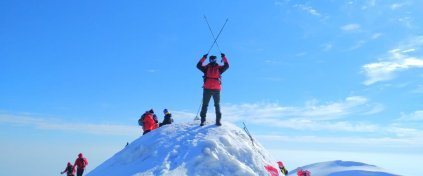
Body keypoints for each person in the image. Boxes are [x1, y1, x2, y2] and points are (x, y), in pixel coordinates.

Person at [196, 53, 229, 126]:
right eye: (211, 59)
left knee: (213, 105)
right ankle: (204, 120)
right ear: (210, 60)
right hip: (210, 89)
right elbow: (198, 66)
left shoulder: (216, 68)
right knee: (208, 105)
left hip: (213, 89)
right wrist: (203, 57)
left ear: (215, 60)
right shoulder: (207, 68)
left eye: (213, 59)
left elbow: (227, 66)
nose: (212, 60)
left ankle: (216, 121)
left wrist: (224, 57)